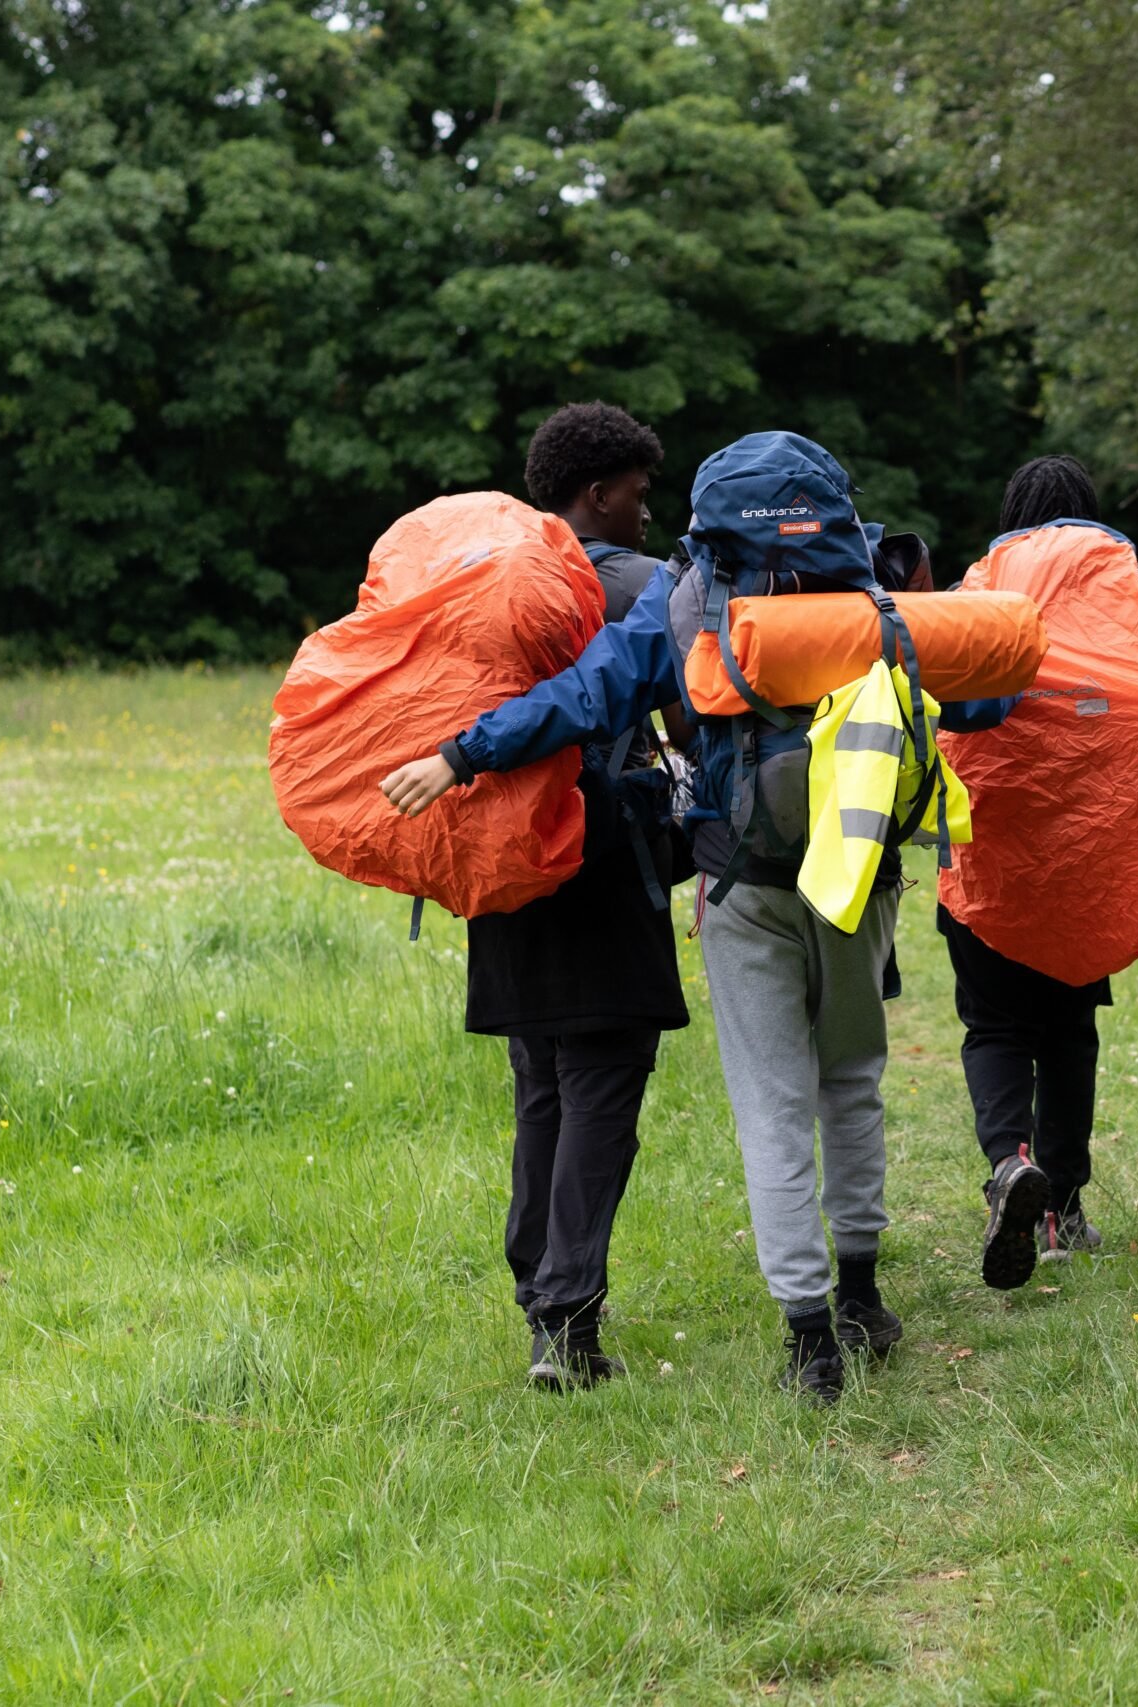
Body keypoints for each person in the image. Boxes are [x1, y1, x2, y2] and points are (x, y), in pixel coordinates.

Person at [383, 432, 1011, 1405]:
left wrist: (461, 754)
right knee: (850, 1087)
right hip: (858, 879)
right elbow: (981, 702)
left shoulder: (688, 597)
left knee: (770, 1104)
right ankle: (860, 1299)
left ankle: (810, 1343)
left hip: (743, 881)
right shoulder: (863, 595)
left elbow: (582, 698)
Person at [380, 402, 688, 1393]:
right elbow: (686, 711)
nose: (648, 515)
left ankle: (539, 1294)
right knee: (601, 1086)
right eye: (638, 496)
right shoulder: (641, 587)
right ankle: (565, 1319)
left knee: (543, 1086)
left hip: (494, 860)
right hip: (599, 861)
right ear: (596, 493)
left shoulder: (476, 580)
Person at [942, 455, 1138, 1284]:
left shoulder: (980, 590)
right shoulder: (1136, 595)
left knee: (995, 1024)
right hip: (1090, 860)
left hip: (991, 852)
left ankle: (1010, 1165)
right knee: (1070, 1031)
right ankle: (1063, 1209)